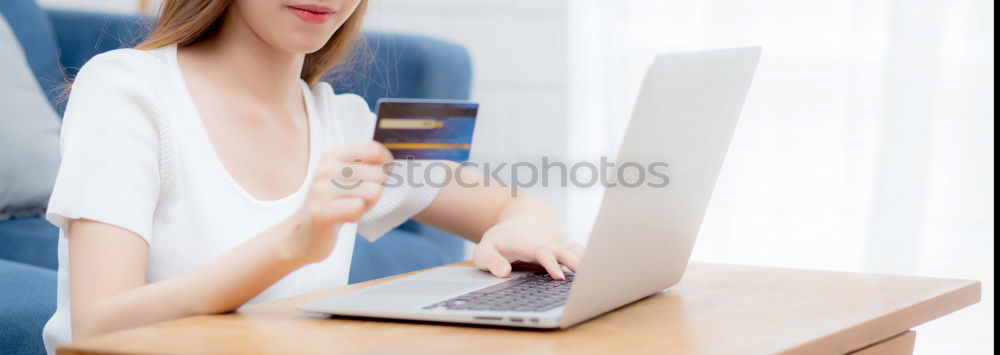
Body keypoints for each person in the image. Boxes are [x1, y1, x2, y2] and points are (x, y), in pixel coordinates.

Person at [41, 0, 581, 352]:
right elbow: (99, 327)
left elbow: (517, 204)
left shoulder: (349, 124)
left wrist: (521, 231)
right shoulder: (125, 90)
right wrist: (294, 243)